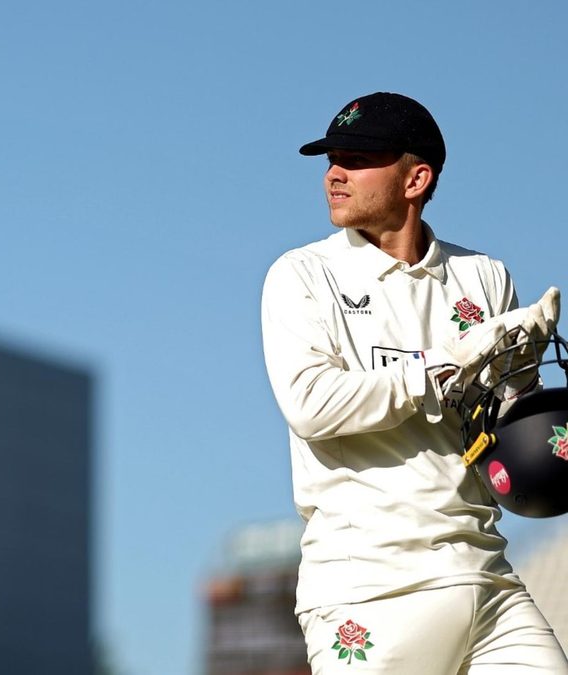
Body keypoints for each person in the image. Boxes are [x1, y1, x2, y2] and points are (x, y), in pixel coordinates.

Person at [261, 91, 567, 674]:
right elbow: (311, 405)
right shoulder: (302, 274)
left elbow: (499, 431)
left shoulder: (483, 276)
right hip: (370, 591)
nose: (335, 175)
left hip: (485, 577)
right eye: (332, 159)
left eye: (358, 158)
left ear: (416, 178)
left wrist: (522, 376)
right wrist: (442, 364)